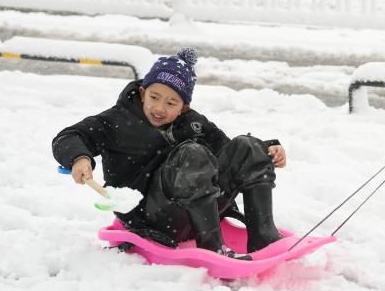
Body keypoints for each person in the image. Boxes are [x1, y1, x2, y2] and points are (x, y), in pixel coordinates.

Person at [53, 48, 287, 258]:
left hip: (200, 212)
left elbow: (229, 152)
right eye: (154, 97)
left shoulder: (193, 123)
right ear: (143, 93)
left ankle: (263, 236)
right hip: (150, 216)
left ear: (184, 107)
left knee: (247, 146)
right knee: (192, 154)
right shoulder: (117, 121)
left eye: (171, 103)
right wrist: (79, 158)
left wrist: (265, 151)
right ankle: (213, 248)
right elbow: (69, 136)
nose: (159, 108)